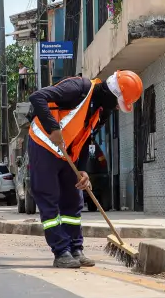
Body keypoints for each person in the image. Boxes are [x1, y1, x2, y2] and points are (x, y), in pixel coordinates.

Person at [27, 71, 143, 268]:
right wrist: (53, 128)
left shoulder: (100, 112)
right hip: (43, 145)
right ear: (112, 94)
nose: (116, 108)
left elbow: (83, 138)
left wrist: (82, 170)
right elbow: (37, 97)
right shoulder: (78, 88)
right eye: (117, 103)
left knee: (73, 200)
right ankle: (61, 251)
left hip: (67, 152)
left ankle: (75, 248)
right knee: (49, 198)